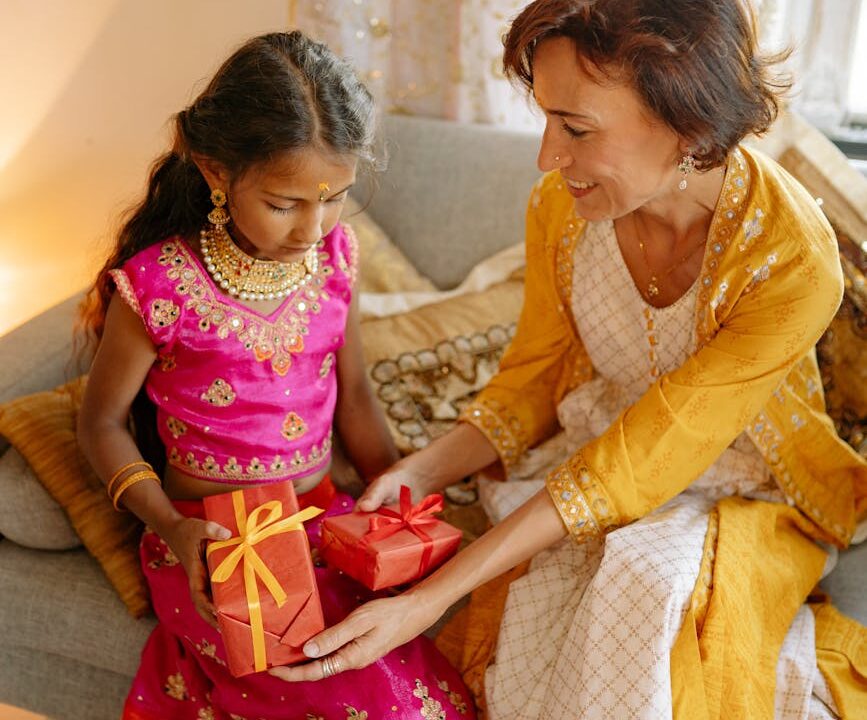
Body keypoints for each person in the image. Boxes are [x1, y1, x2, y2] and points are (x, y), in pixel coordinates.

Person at [268, 3, 867, 718]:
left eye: (576, 129)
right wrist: (418, 469)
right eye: (546, 118)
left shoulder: (791, 259)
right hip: (588, 459)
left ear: (690, 125)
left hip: (744, 487)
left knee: (641, 582)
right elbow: (533, 381)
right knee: (536, 608)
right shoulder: (561, 206)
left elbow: (649, 452)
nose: (547, 157)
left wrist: (430, 599)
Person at [77, 30, 475, 720]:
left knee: (405, 673)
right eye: (285, 203)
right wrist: (170, 527)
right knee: (313, 680)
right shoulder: (157, 289)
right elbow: (101, 421)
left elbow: (353, 397)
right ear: (213, 170)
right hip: (213, 542)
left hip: (325, 521)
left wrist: (397, 503)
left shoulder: (336, 258)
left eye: (335, 198)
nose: (311, 229)